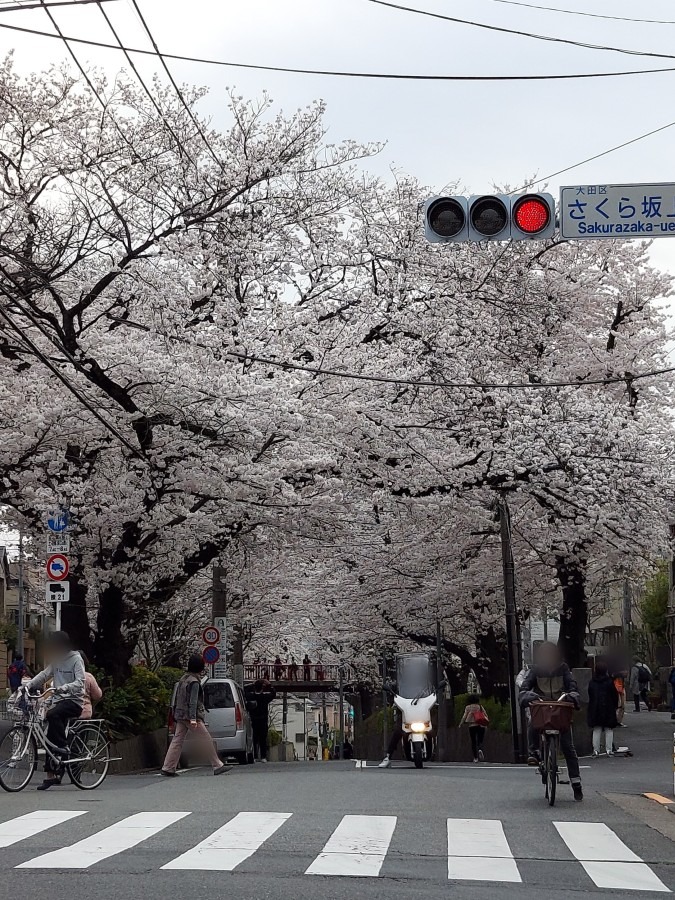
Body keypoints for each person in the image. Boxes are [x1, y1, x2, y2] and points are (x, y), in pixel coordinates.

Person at [519, 641, 583, 802]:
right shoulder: (535, 670)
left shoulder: (563, 669)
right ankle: (534, 752)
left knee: (568, 747)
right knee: (533, 724)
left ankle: (576, 783)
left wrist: (572, 694)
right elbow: (525, 686)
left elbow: (572, 685)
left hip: (560, 707)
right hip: (542, 707)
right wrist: (526, 695)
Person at [24, 631, 86, 791]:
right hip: (59, 702)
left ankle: (64, 747)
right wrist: (28, 685)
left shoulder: (76, 659)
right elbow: (45, 675)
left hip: (74, 701)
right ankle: (51, 775)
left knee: (52, 716)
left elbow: (80, 682)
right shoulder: (56, 660)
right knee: (48, 737)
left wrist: (64, 687)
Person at [161, 654, 231, 777]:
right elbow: (193, 702)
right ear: (200, 667)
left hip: (180, 714)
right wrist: (193, 718)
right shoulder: (194, 682)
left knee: (177, 741)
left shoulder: (183, 679)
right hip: (190, 716)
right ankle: (217, 765)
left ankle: (168, 767)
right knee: (206, 739)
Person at [588, 660, 618, 757]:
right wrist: (615, 706)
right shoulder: (609, 682)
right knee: (609, 729)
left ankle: (596, 750)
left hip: (595, 708)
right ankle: (609, 750)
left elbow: (590, 695)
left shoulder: (592, 682)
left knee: (597, 729)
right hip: (608, 708)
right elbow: (614, 695)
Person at [248, 678, 276, 762]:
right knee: (263, 739)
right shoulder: (265, 697)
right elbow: (273, 694)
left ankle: (255, 756)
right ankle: (263, 757)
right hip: (263, 720)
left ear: (254, 688)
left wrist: (252, 684)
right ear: (262, 688)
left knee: (254, 739)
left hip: (253, 720)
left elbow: (244, 691)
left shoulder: (251, 696)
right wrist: (269, 685)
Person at [459, 694, 489, 763]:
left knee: (473, 741)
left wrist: (461, 723)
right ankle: (480, 749)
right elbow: (485, 715)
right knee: (480, 740)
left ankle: (475, 758)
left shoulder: (468, 707)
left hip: (472, 725)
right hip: (481, 725)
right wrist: (486, 723)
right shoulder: (480, 707)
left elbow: (464, 716)